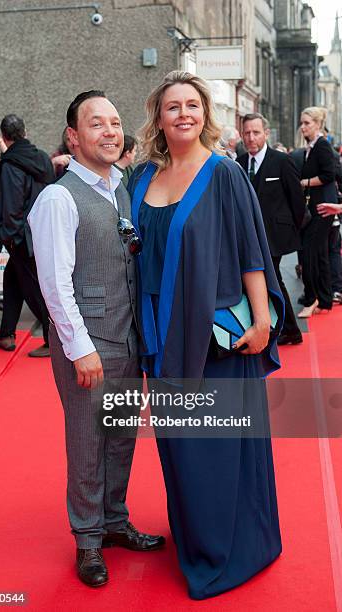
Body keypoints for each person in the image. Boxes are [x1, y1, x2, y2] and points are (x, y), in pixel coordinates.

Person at [128, 71, 285, 600]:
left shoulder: (223, 174)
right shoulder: (141, 177)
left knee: (215, 446)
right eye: (172, 106)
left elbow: (251, 252)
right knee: (180, 446)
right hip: (160, 335)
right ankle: (196, 535)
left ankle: (232, 547)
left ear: (205, 113)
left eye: (192, 105)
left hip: (216, 335)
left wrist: (263, 321)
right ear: (158, 116)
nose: (184, 114)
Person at [28, 90, 165, 589]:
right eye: (95, 124)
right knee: (88, 445)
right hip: (88, 343)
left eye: (114, 122)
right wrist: (80, 347)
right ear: (73, 136)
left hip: (128, 338)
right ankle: (87, 541)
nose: (109, 132)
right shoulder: (58, 197)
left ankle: (114, 520)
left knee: (122, 439)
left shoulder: (121, 189)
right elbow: (55, 284)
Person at [0, 114, 54, 357]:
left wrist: (10, 238)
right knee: (13, 281)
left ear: (4, 137)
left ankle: (53, 338)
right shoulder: (42, 158)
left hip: (20, 237)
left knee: (33, 289)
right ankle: (6, 334)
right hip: (38, 230)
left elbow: (11, 206)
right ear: (24, 132)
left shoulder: (9, 164)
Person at [237, 113, 305, 345]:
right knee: (266, 280)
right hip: (250, 236)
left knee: (272, 278)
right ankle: (278, 326)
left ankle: (290, 329)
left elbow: (297, 200)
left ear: (266, 134)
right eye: (246, 133)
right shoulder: (240, 162)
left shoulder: (282, 161)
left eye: (256, 132)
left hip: (275, 236)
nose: (251, 137)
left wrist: (293, 230)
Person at [297, 107, 338, 317]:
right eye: (302, 123)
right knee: (319, 253)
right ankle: (324, 299)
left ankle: (312, 299)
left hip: (323, 207)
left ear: (317, 124)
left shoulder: (321, 145)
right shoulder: (313, 146)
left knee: (310, 253)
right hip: (319, 205)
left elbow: (329, 175)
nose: (302, 127)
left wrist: (304, 183)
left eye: (307, 123)